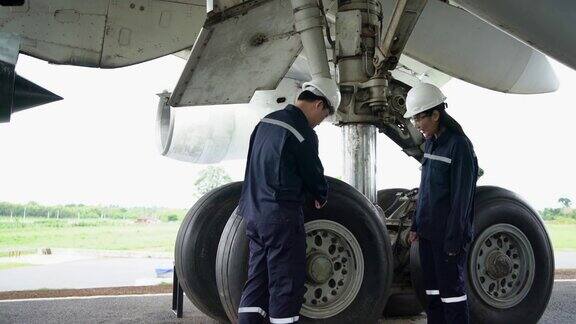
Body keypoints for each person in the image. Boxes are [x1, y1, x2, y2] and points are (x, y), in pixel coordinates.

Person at [236, 77, 341, 324]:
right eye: (325, 116)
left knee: (256, 282)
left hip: (253, 214)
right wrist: (320, 195)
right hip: (281, 219)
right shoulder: (302, 131)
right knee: (286, 285)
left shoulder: (265, 122)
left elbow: (252, 167)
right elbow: (313, 174)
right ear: (319, 104)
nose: (320, 122)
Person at [404, 83, 479, 324]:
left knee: (453, 298)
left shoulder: (460, 146)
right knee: (433, 296)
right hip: (427, 234)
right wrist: (416, 225)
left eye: (419, 118)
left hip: (447, 238)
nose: (416, 124)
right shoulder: (432, 144)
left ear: (436, 114)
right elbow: (425, 190)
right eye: (414, 119)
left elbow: (462, 200)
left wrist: (454, 240)